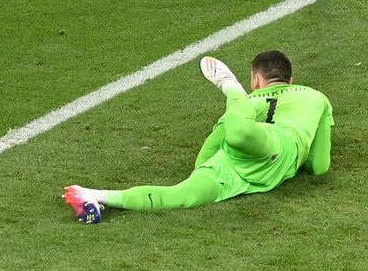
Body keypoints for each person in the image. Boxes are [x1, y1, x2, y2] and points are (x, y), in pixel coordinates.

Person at [63, 50, 333, 223]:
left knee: (182, 192)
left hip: (230, 164)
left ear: (255, 81)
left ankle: (94, 195)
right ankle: (95, 195)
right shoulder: (316, 97)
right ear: (292, 80)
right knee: (186, 191)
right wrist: (298, 160)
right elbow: (320, 165)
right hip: (278, 146)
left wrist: (203, 171)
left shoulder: (251, 103)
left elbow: (216, 139)